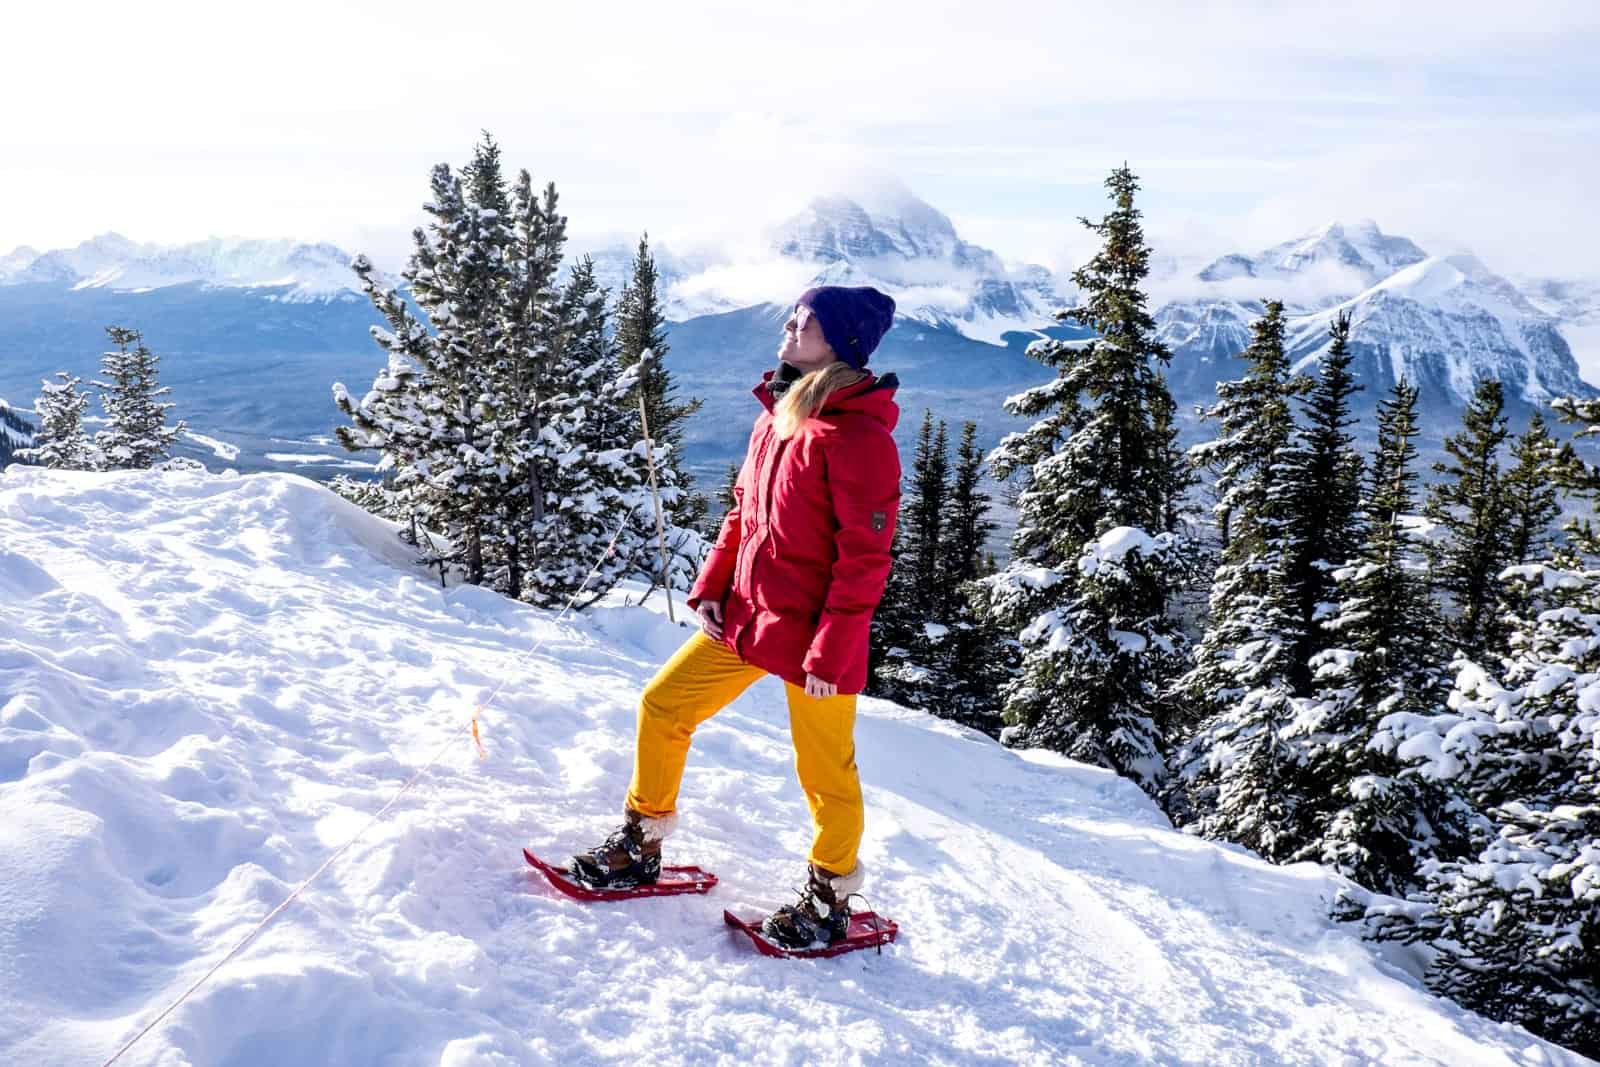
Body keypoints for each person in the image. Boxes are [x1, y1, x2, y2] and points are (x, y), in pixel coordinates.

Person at [569, 284, 902, 948]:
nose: (787, 328)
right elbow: (742, 515)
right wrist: (714, 587)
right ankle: (641, 842)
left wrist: (832, 650)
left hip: (816, 641)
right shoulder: (776, 416)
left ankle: (830, 894)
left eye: (802, 322)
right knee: (664, 706)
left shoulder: (859, 439)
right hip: (751, 619)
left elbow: (865, 558)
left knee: (824, 772)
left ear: (838, 344)